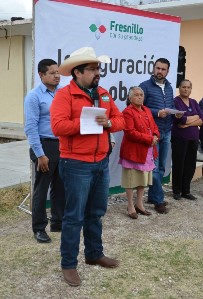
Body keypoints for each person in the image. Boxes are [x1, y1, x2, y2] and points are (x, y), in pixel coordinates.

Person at [50, 47, 125, 287]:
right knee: (74, 216)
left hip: (101, 162)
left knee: (96, 212)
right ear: (77, 72)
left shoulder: (103, 94)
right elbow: (58, 127)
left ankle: (94, 254)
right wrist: (85, 123)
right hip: (75, 164)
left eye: (98, 69)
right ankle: (69, 264)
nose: (97, 73)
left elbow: (121, 120)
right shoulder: (64, 95)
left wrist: (109, 122)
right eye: (92, 69)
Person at [24, 59, 65, 244]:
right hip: (43, 145)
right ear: (41, 75)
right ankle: (39, 228)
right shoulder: (34, 96)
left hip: (61, 145)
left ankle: (58, 222)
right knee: (41, 189)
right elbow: (30, 128)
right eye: (52, 73)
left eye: (58, 72)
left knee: (60, 186)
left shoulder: (62, 94)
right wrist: (40, 154)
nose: (57, 76)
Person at [139, 58, 183, 214]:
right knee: (156, 167)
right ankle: (158, 200)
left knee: (162, 167)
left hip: (167, 130)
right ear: (153, 68)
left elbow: (170, 106)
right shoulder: (144, 86)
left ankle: (152, 196)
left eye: (163, 69)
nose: (160, 71)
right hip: (153, 133)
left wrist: (175, 114)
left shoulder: (170, 87)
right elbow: (138, 107)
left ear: (168, 71)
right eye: (158, 68)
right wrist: (157, 113)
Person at [119, 86, 159, 219]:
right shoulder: (127, 112)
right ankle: (130, 205)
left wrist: (155, 136)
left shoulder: (146, 109)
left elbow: (154, 126)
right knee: (130, 179)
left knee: (143, 178)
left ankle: (139, 204)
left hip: (147, 150)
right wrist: (149, 139)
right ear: (130, 98)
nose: (140, 97)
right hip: (133, 151)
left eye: (141, 94)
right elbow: (130, 132)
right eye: (136, 95)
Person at [171, 79, 203, 200]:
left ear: (191, 89)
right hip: (179, 138)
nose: (186, 89)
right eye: (183, 87)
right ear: (179, 88)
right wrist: (192, 119)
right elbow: (180, 120)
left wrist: (188, 123)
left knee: (190, 165)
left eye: (188, 87)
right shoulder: (175, 102)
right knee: (179, 164)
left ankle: (186, 190)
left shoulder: (194, 102)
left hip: (194, 138)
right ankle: (177, 191)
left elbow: (202, 119)